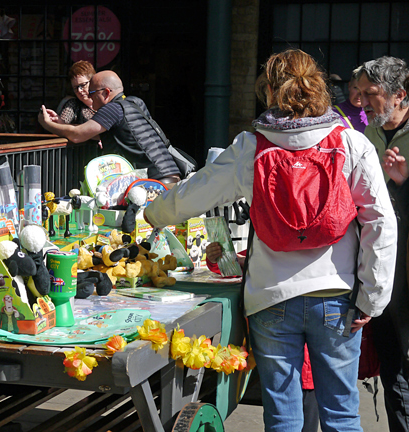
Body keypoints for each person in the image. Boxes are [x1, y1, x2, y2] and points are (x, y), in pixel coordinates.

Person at [144, 49, 397, 431]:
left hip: (271, 298)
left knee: (282, 415)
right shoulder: (351, 143)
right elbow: (381, 222)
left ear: (270, 91)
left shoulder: (251, 146)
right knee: (343, 414)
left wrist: (152, 213)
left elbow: (195, 192)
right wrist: (372, 298)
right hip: (336, 296)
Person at [206, 242, 320, 432]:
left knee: (295, 417)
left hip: (301, 363)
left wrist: (248, 262)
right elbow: (232, 266)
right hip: (280, 358)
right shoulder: (268, 238)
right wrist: (216, 258)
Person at [357, 56, 409, 432]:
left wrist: (403, 184)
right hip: (383, 266)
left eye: (371, 94)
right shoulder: (368, 135)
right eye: (359, 93)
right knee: (393, 364)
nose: (361, 102)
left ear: (400, 95)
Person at [38, 70, 181, 186]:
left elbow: (78, 135)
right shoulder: (135, 102)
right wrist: (62, 124)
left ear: (106, 93)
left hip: (154, 183)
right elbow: (98, 133)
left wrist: (48, 124)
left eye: (92, 93)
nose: (90, 97)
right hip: (171, 176)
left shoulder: (112, 109)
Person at [56, 60, 96, 125]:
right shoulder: (73, 105)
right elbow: (61, 126)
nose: (79, 90)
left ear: (92, 82)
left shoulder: (106, 103)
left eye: (83, 85)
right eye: (75, 87)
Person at [332, 67, 368, 133]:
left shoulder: (373, 114)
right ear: (349, 86)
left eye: (364, 89)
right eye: (356, 88)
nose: (359, 94)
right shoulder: (334, 114)